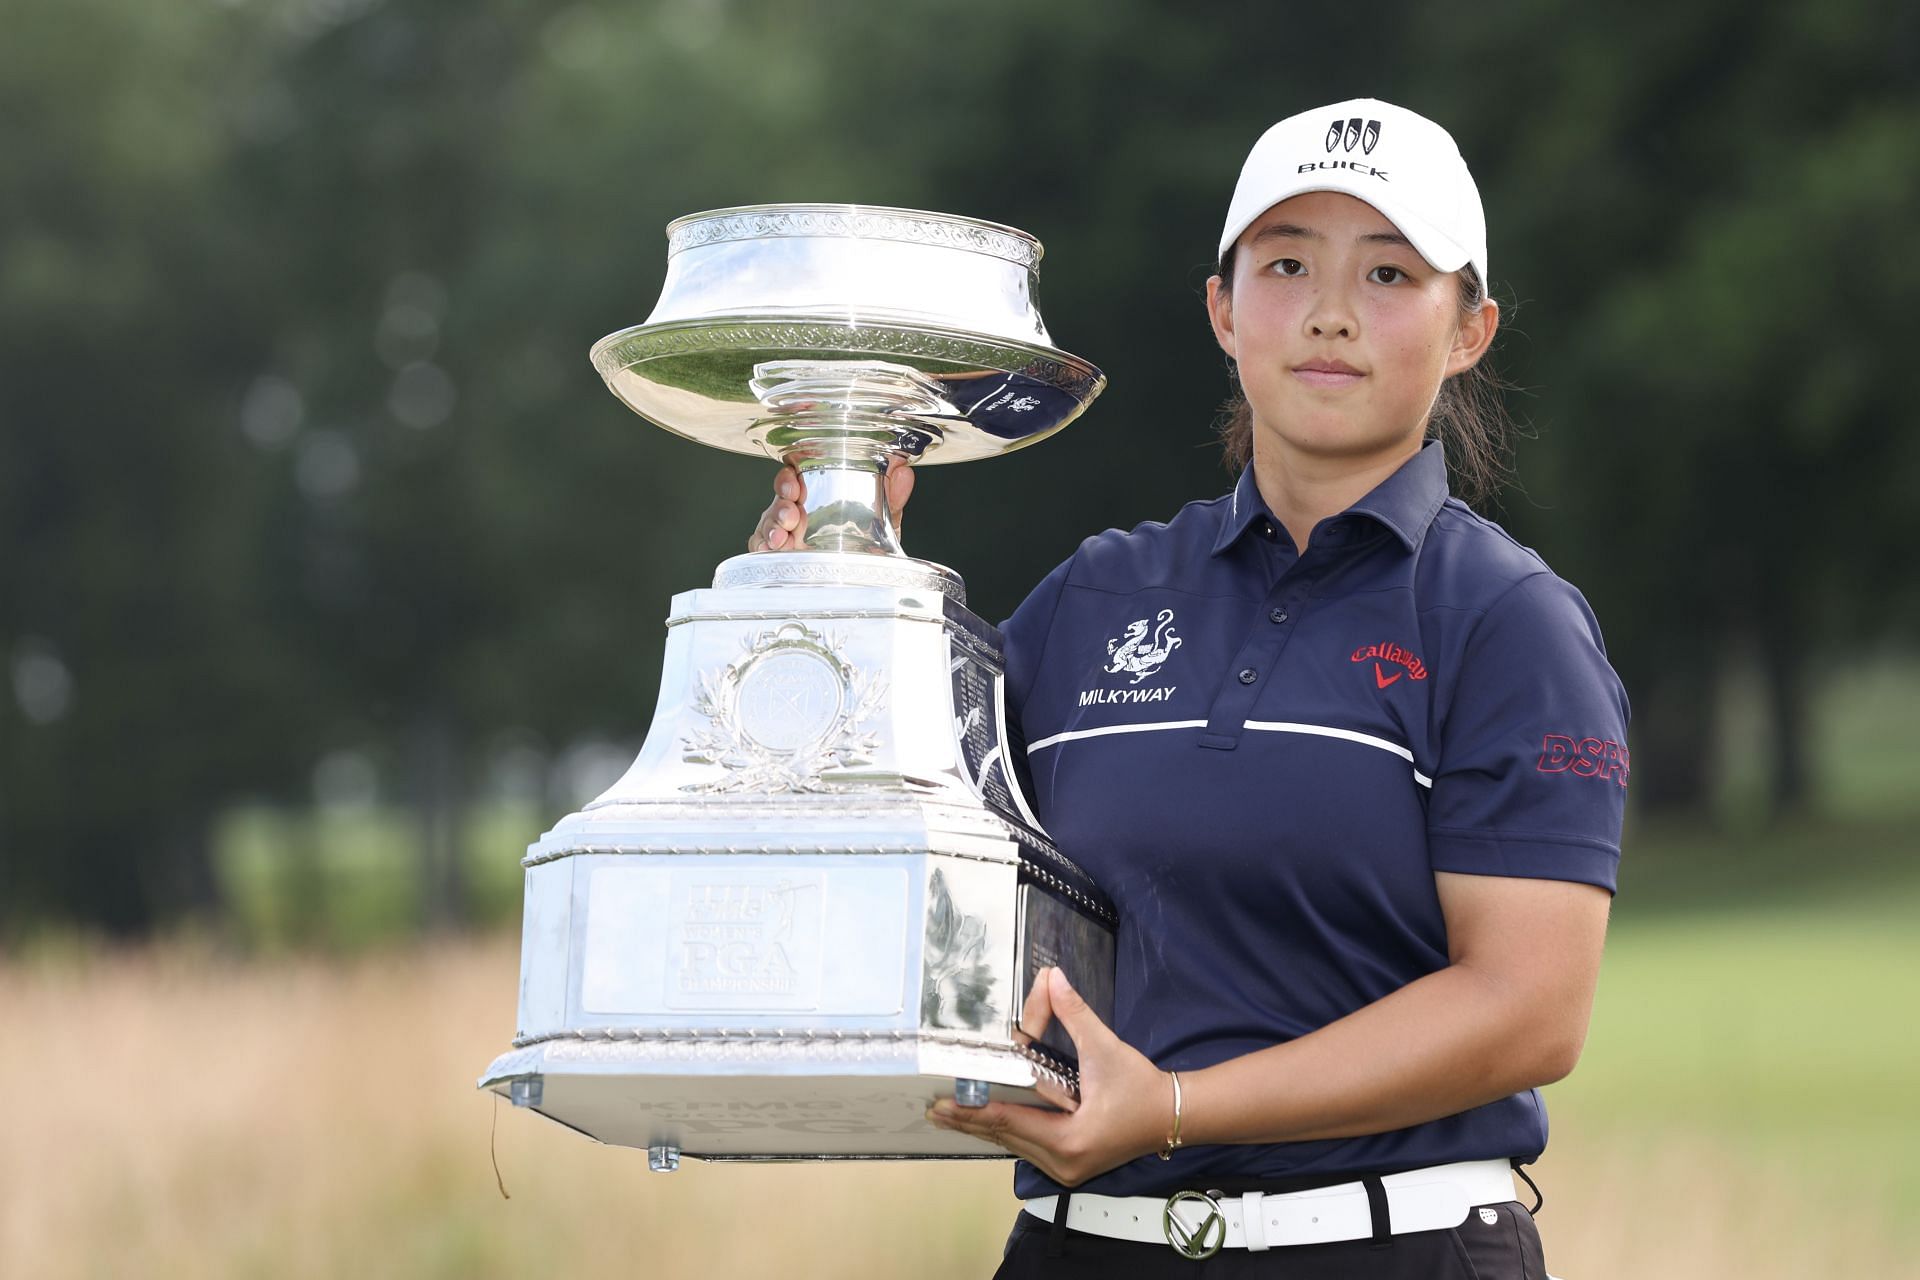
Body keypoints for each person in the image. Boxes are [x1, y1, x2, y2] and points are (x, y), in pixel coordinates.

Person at [752, 98, 1627, 1279]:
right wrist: (834, 599)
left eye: (1387, 272)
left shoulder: (1506, 621)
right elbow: (900, 812)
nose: (1329, 310)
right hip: (1083, 1247)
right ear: (1223, 310)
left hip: (1387, 1249)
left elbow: (1528, 1007)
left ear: (1469, 327)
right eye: (1285, 263)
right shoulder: (1099, 594)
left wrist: (1174, 1103)